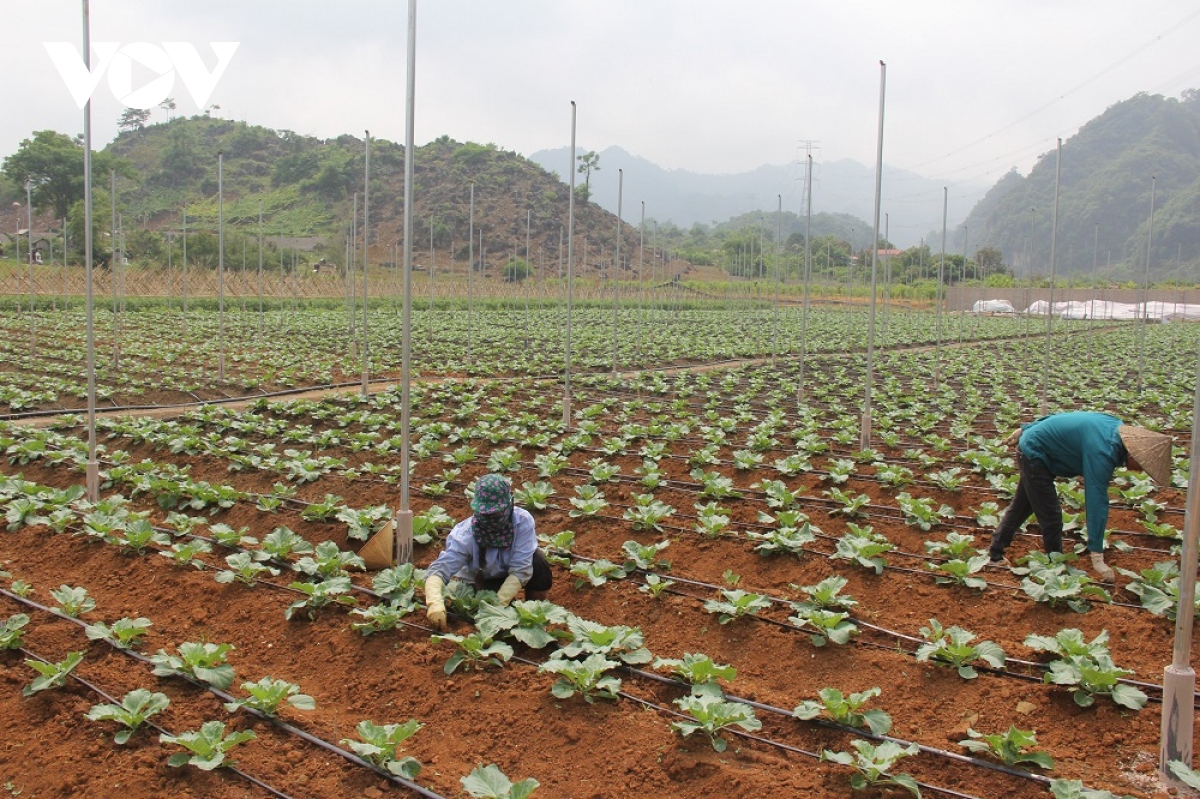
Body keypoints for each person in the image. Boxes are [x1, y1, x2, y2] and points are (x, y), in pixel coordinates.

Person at [987, 411, 1172, 582]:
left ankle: (995, 553)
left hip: (1038, 444)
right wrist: (1097, 555)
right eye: (1142, 465)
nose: (1140, 470)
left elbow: (1068, 418)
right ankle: (1057, 572)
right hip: (1035, 452)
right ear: (1133, 452)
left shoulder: (1114, 426)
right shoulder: (1102, 452)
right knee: (1051, 518)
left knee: (1023, 505)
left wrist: (1027, 428)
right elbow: (1096, 500)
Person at [424, 474, 553, 631]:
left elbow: (521, 569)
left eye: (496, 513)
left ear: (509, 505)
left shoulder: (522, 521)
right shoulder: (465, 535)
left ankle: (535, 614)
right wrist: (434, 602)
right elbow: (440, 569)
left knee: (538, 561)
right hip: (482, 582)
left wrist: (500, 602)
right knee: (501, 622)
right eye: (486, 514)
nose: (491, 518)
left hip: (510, 576)